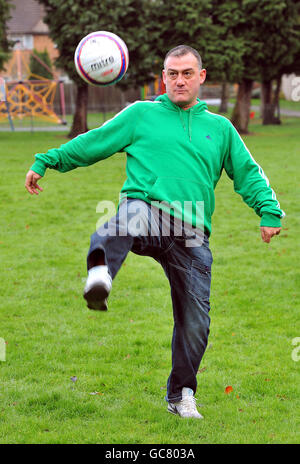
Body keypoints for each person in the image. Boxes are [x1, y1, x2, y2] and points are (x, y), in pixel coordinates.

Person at [25, 45, 284, 419]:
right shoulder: (141, 114)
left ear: (201, 76)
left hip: (193, 229)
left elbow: (248, 173)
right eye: (172, 73)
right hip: (148, 209)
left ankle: (181, 396)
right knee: (127, 217)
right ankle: (100, 274)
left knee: (196, 322)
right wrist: (48, 160)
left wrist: (268, 211)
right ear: (164, 77)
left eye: (187, 73)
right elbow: (94, 142)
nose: (179, 80)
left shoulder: (221, 129)